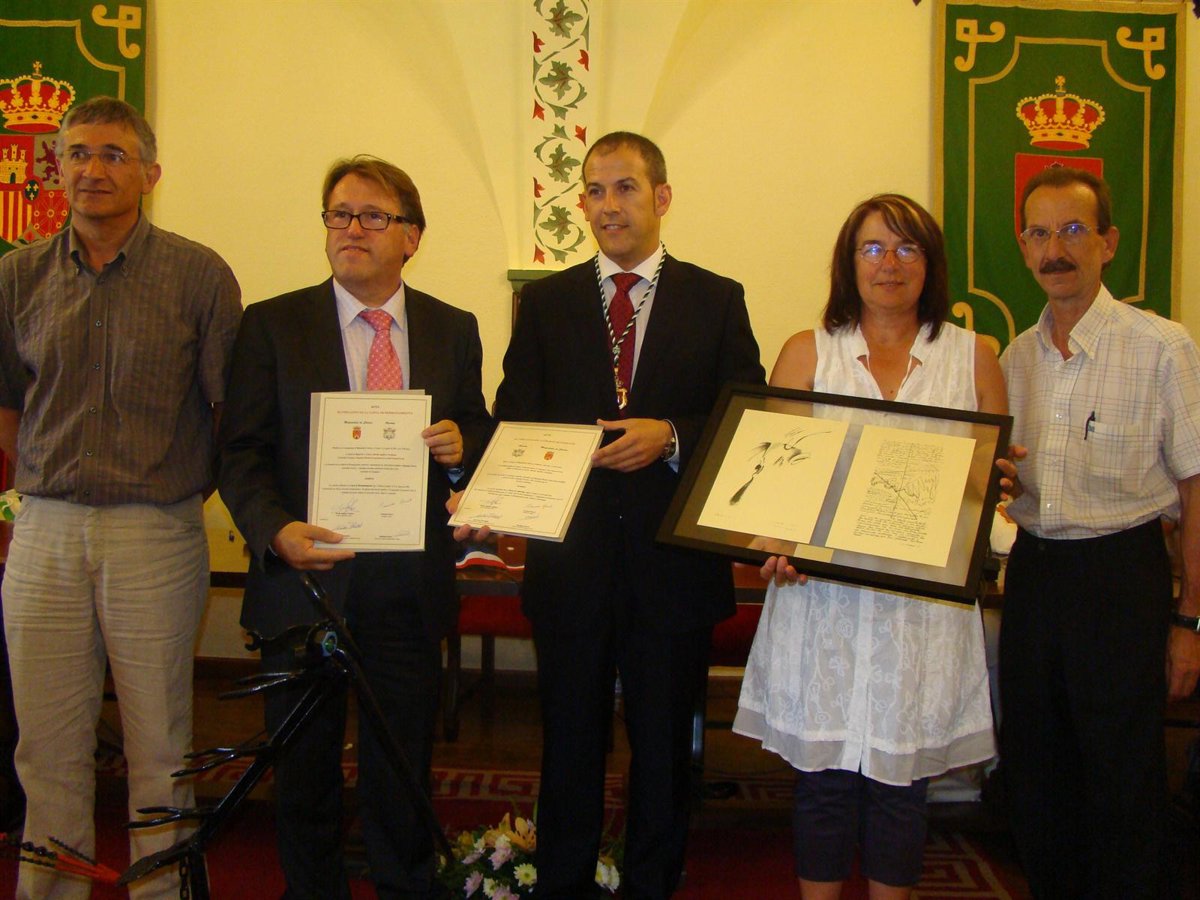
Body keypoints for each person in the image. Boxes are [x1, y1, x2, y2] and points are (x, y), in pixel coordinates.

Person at [482, 131, 765, 899]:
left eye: (626, 187)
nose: (609, 205)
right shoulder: (545, 303)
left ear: (661, 197)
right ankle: (562, 883)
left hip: (673, 569)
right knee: (569, 745)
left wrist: (669, 436)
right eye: (595, 190)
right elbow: (514, 416)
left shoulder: (717, 299)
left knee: (663, 753)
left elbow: (746, 419)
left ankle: (651, 884)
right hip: (571, 568)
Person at [217, 154, 491, 899]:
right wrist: (276, 531)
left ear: (412, 236)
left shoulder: (452, 328)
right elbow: (240, 452)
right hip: (303, 585)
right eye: (339, 214)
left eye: (373, 215)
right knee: (303, 771)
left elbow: (475, 426)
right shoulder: (272, 324)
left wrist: (464, 447)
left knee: (401, 767)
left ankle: (404, 886)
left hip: (407, 587)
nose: (352, 229)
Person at [0, 96, 242, 899]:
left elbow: (227, 410)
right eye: (77, 153)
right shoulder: (17, 275)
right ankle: (52, 891)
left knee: (159, 745)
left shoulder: (199, 275)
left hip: (155, 529)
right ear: (56, 168)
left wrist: (179, 492)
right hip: (46, 528)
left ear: (150, 173)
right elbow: (9, 405)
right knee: (46, 745)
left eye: (112, 155)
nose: (92, 169)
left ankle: (158, 891)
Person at [733, 194, 1006, 900]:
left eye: (908, 247)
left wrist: (993, 481)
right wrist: (774, 536)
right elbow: (775, 476)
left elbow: (985, 487)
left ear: (931, 263)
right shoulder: (808, 352)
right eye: (873, 248)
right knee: (822, 781)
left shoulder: (973, 358)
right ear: (848, 263)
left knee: (901, 786)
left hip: (920, 607)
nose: (890, 263)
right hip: (822, 598)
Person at [995, 165, 1200, 899]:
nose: (1056, 249)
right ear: (1024, 246)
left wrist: (1190, 621)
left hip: (1123, 578)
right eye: (1040, 233)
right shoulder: (1012, 360)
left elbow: (1195, 490)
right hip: (1033, 578)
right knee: (1035, 771)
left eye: (1074, 230)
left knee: (1123, 778)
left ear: (1108, 243)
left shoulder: (1162, 348)